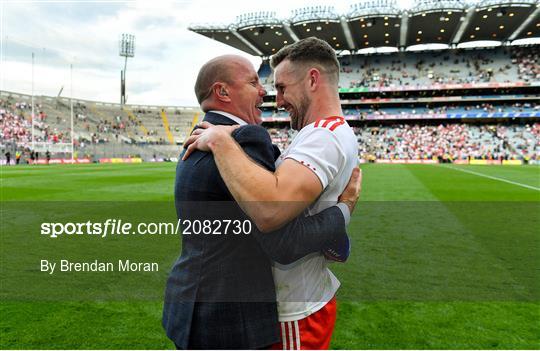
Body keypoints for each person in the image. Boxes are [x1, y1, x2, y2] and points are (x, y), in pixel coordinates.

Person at [162, 54, 361, 349]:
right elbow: (284, 242)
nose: (265, 92)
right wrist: (344, 209)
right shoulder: (238, 143)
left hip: (192, 301)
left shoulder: (206, 134)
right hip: (226, 318)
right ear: (223, 92)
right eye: (254, 81)